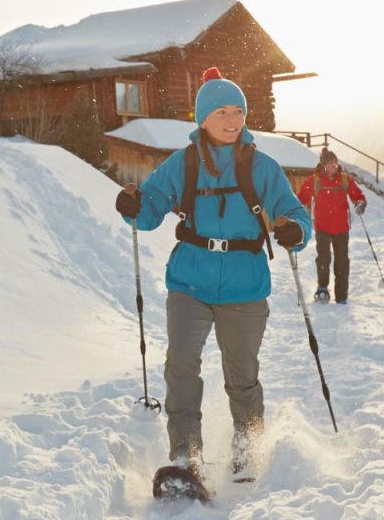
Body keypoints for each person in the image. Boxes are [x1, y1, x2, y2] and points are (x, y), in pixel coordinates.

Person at [114, 68, 312, 480]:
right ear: (202, 117)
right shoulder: (182, 164)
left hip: (245, 283)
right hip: (190, 280)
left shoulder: (263, 167)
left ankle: (247, 447)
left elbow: (293, 214)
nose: (232, 119)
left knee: (242, 374)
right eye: (221, 111)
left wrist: (295, 230)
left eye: (238, 110)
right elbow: (150, 209)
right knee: (181, 366)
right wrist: (133, 207)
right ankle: (186, 456)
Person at [296, 148, 367, 304]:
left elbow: (358, 196)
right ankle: (322, 289)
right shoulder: (315, 180)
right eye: (330, 163)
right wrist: (293, 209)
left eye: (335, 162)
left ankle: (341, 295)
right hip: (322, 227)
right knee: (323, 258)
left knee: (342, 260)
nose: (334, 166)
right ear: (323, 165)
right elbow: (301, 198)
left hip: (341, 227)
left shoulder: (344, 179)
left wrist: (360, 204)